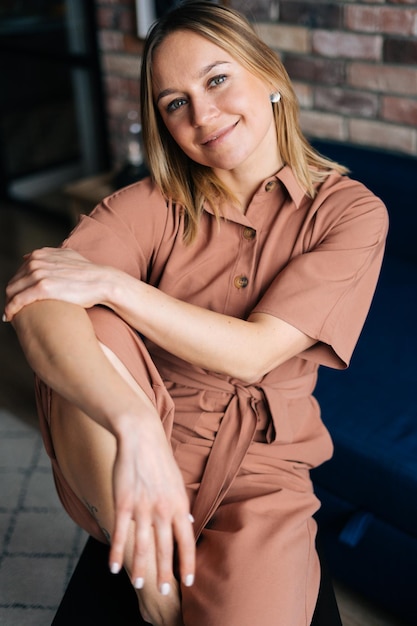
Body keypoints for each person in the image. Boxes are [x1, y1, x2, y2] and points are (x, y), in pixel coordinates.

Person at [4, 2, 388, 625]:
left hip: (264, 472)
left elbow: (255, 351)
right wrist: (134, 426)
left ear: (270, 78)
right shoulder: (149, 204)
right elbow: (38, 297)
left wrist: (113, 283)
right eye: (174, 103)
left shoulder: (349, 212)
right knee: (86, 322)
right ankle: (148, 565)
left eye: (216, 79)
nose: (202, 115)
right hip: (131, 452)